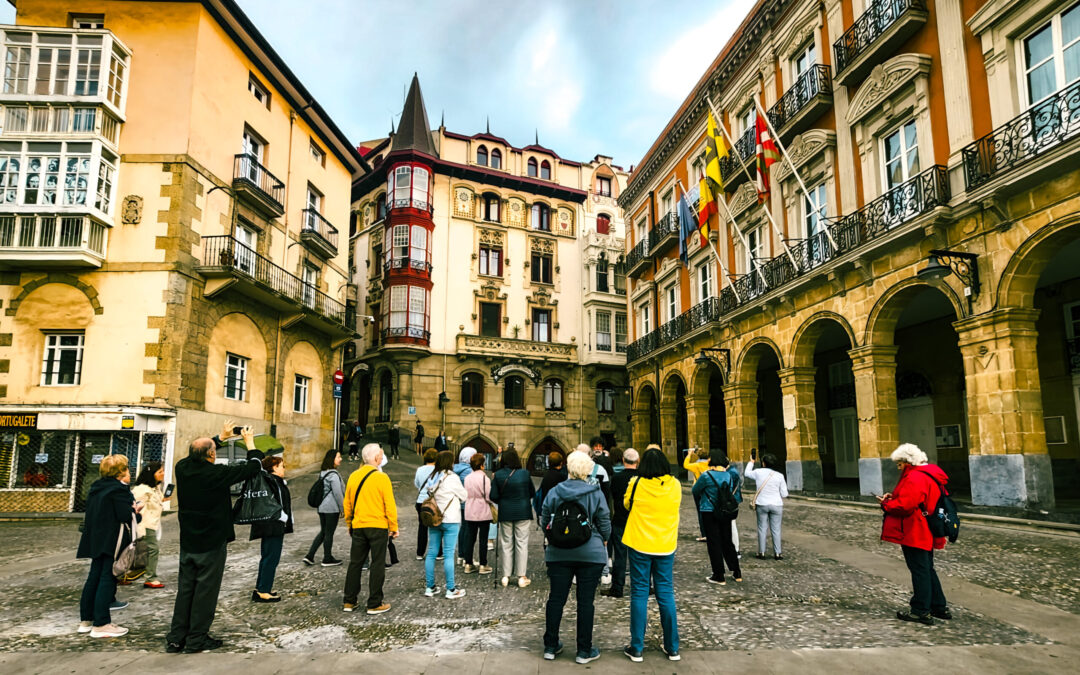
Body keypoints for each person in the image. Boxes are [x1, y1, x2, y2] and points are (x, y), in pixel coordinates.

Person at [167, 423, 263, 653]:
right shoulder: (217, 474)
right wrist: (249, 442)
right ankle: (196, 639)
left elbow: (197, 454)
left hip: (188, 540)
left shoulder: (182, 468)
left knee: (186, 589)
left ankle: (176, 638)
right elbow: (254, 466)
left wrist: (220, 438)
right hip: (211, 541)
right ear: (211, 455)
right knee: (205, 591)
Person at [539, 450, 610, 664]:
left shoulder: (555, 492)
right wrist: (604, 538)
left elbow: (544, 519)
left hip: (559, 552)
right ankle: (583, 650)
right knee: (585, 602)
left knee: (556, 599)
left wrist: (554, 537)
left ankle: (550, 646)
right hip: (590, 552)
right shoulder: (595, 492)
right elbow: (604, 520)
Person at [878, 443, 952, 625]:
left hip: (915, 529)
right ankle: (939, 606)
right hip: (928, 526)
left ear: (907, 462)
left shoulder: (914, 477)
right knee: (927, 568)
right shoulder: (929, 474)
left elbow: (905, 505)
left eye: (899, 464)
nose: (898, 468)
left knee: (919, 570)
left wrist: (886, 504)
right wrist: (894, 497)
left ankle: (920, 611)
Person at [621, 448, 681, 662]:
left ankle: (637, 647)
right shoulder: (675, 485)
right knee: (666, 593)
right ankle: (672, 647)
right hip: (665, 544)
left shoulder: (636, 483)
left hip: (639, 543)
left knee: (639, 593)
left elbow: (626, 504)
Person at [77, 454, 142, 638]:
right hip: (112, 540)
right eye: (126, 468)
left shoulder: (96, 488)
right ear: (120, 472)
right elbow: (125, 516)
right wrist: (136, 512)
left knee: (93, 578)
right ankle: (101, 623)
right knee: (108, 578)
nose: (129, 472)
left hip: (95, 538)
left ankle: (86, 620)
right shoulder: (119, 490)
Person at [342, 443, 398, 615]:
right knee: (377, 563)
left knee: (355, 563)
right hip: (377, 525)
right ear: (375, 458)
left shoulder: (354, 476)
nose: (381, 457)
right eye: (380, 455)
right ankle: (374, 602)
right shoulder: (382, 478)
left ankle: (349, 601)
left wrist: (350, 523)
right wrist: (393, 526)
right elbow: (389, 504)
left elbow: (347, 503)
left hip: (359, 525)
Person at [422, 450, 469, 598]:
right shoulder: (452, 477)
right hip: (450, 519)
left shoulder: (432, 477)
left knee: (431, 552)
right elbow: (464, 495)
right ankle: (450, 589)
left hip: (434, 518)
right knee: (448, 554)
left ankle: (430, 587)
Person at [692, 452, 742, 585]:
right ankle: (736, 572)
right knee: (727, 541)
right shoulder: (728, 475)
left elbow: (695, 490)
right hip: (725, 511)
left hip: (708, 511)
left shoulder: (706, 475)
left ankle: (719, 575)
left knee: (714, 543)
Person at [250, 455, 293, 603]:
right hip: (273, 525)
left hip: (269, 524)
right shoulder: (273, 482)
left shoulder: (269, 480)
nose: (284, 469)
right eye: (282, 466)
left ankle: (261, 588)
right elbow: (277, 504)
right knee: (271, 558)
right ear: (274, 467)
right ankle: (263, 590)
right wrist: (284, 518)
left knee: (267, 557)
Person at [490, 447, 535, 587]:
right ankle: (521, 576)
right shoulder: (525, 474)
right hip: (523, 512)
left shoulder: (498, 475)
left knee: (506, 543)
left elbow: (493, 496)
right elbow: (532, 492)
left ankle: (506, 576)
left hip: (506, 512)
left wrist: (504, 500)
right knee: (522, 543)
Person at [601, 448, 638, 598]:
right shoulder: (642, 478)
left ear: (623, 460)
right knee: (639, 556)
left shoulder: (616, 478)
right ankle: (643, 586)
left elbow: (614, 498)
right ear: (637, 461)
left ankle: (618, 587)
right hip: (637, 521)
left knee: (620, 556)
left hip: (620, 520)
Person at [745, 449, 789, 560]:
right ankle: (778, 553)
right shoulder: (779, 476)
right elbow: (784, 494)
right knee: (776, 529)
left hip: (762, 504)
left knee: (762, 528)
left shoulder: (758, 472)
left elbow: (746, 473)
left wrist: (751, 461)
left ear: (763, 463)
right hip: (776, 504)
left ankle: (762, 552)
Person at [303, 449, 345, 567]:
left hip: (322, 507)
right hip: (331, 508)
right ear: (332, 459)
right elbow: (338, 493)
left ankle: (309, 556)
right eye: (338, 457)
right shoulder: (333, 475)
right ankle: (327, 558)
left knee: (323, 532)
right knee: (329, 533)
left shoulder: (323, 473)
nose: (340, 459)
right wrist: (343, 508)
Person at [131, 462, 166, 589]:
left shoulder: (155, 488)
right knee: (152, 549)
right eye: (160, 472)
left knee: (144, 550)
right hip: (145, 524)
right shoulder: (142, 489)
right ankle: (150, 577)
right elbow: (136, 506)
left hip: (153, 523)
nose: (163, 474)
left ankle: (124, 574)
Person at [462, 453, 494, 574]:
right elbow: (488, 496)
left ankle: (468, 563)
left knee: (470, 538)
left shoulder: (467, 478)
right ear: (482, 465)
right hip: (483, 510)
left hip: (470, 510)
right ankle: (483, 564)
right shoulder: (485, 478)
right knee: (483, 539)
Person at [412, 449, 438, 560]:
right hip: (434, 501)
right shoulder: (438, 471)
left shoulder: (420, 469)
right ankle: (438, 552)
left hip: (421, 501)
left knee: (422, 527)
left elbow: (417, 483)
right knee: (436, 526)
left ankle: (420, 552)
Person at [683, 448, 710, 542]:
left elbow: (685, 465)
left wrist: (689, 454)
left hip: (698, 489)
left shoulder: (697, 465)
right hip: (708, 489)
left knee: (700, 511)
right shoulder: (710, 464)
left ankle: (704, 534)